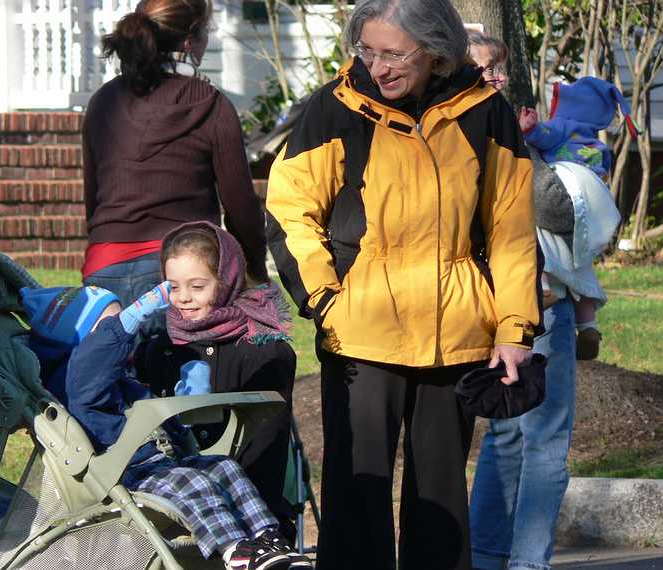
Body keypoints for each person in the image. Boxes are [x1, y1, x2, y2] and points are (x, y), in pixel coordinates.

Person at [265, 0, 541, 568]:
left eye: (394, 53)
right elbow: (290, 211)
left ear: (436, 53)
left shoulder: (487, 111)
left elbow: (513, 231)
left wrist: (515, 330)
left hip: (459, 334)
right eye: (367, 51)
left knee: (441, 501)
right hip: (359, 336)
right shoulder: (331, 108)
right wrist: (325, 300)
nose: (378, 66)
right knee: (354, 498)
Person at [21, 284, 312, 570]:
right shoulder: (76, 382)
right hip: (126, 474)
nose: (124, 335)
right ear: (82, 342)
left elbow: (150, 417)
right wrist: (132, 316)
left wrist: (180, 412)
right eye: (110, 326)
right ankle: (235, 549)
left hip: (162, 463)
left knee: (224, 467)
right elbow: (92, 360)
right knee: (193, 481)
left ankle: (268, 540)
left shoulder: (118, 382)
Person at [466, 36, 582, 570]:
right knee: (543, 443)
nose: (498, 81)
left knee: (506, 438)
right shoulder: (499, 133)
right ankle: (527, 563)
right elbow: (557, 211)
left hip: (480, 304)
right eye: (487, 70)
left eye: (500, 71)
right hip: (532, 299)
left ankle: (488, 559)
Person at [81, 0, 268, 326]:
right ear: (189, 40)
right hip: (181, 272)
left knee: (112, 376)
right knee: (186, 376)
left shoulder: (102, 102)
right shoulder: (209, 104)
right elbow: (239, 204)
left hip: (103, 270)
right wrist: (255, 269)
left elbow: (93, 199)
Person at [134, 221, 297, 537]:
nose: (183, 298)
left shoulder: (262, 350)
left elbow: (265, 442)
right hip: (174, 502)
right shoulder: (160, 346)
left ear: (226, 281)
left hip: (248, 506)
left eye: (197, 287)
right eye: (173, 286)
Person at [518, 77, 636, 360]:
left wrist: (529, 129)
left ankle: (544, 288)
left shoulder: (564, 126)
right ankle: (589, 327)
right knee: (581, 266)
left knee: (538, 237)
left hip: (566, 188)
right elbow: (603, 174)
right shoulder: (597, 143)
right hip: (590, 201)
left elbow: (543, 136)